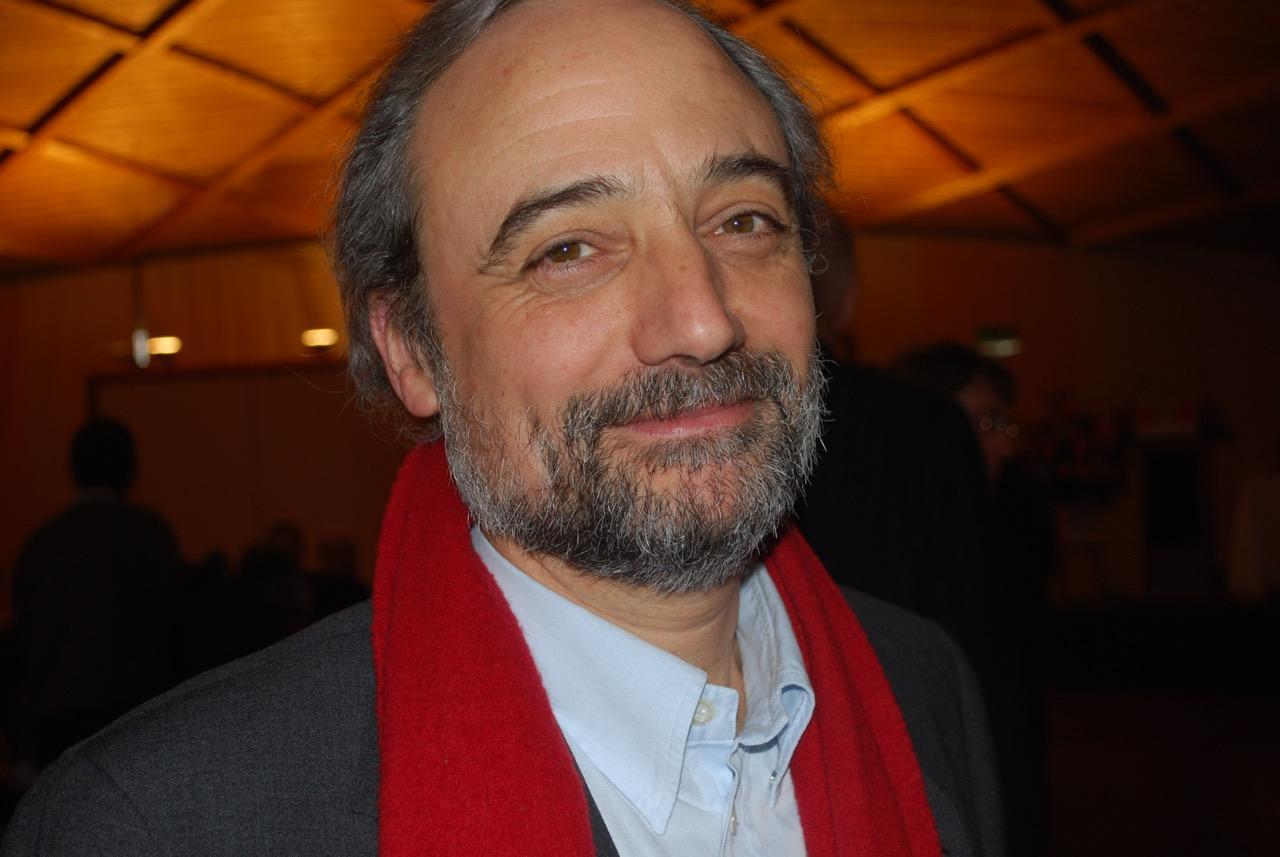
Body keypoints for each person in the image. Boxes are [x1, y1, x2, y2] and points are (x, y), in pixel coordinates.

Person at [2, 2, 1004, 855]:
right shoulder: (162, 823)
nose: (702, 319)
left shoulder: (920, 685)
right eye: (567, 249)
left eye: (744, 219)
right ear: (411, 349)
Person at [7, 420, 180, 771]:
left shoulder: (43, 544)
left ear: (73, 470)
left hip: (58, 717)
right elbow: (174, 625)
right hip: (133, 712)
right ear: (130, 469)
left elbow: (24, 639)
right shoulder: (147, 535)